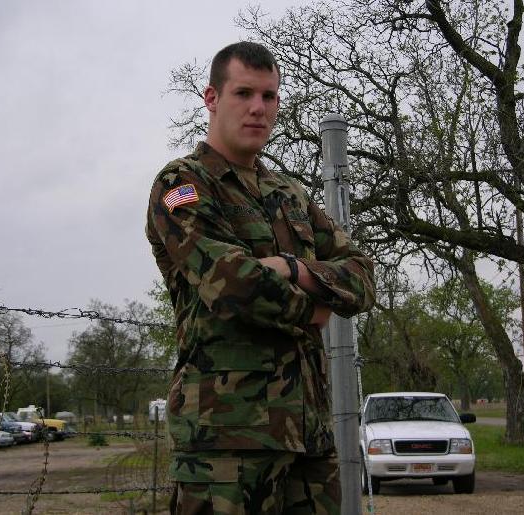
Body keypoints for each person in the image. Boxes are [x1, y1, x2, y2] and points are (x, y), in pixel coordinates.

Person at [146, 41, 375, 514]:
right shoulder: (183, 185)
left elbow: (362, 275)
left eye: (268, 96)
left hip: (308, 436)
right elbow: (233, 285)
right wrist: (317, 306)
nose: (258, 108)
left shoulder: (290, 195)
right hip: (227, 444)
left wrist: (294, 268)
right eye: (244, 93)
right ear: (212, 98)